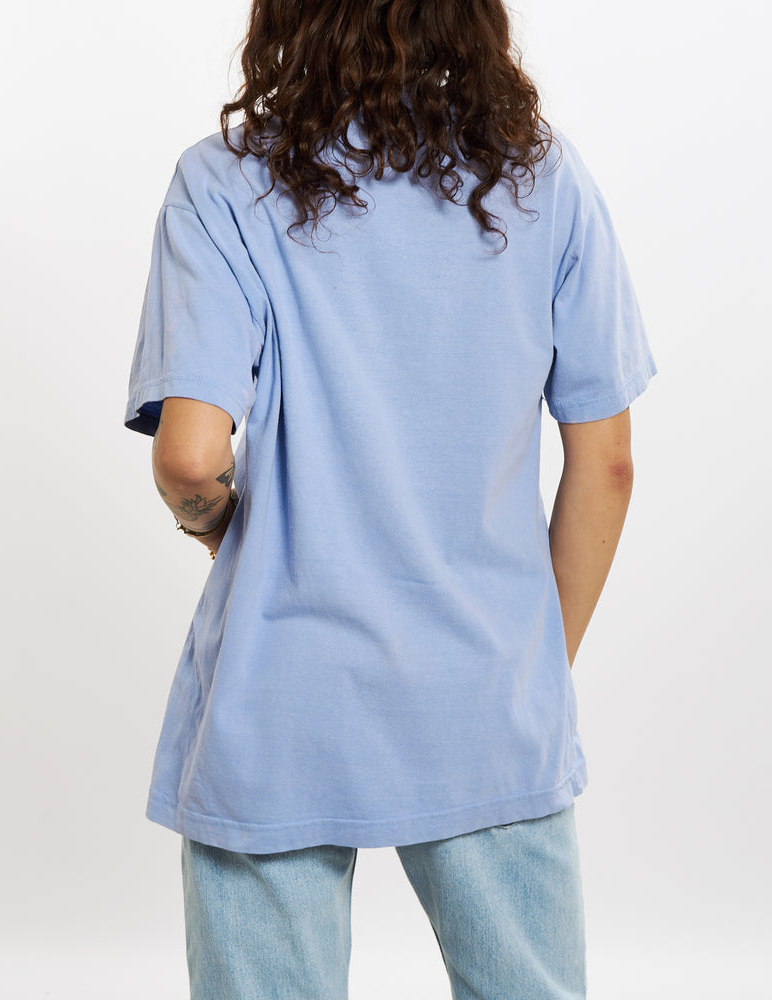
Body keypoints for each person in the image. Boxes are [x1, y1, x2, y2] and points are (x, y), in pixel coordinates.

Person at [123, 1, 657, 997]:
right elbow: (608, 462)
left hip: (277, 692)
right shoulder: (541, 180)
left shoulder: (223, 181)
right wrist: (531, 668)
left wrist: (224, 532)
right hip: (485, 696)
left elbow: (191, 460)